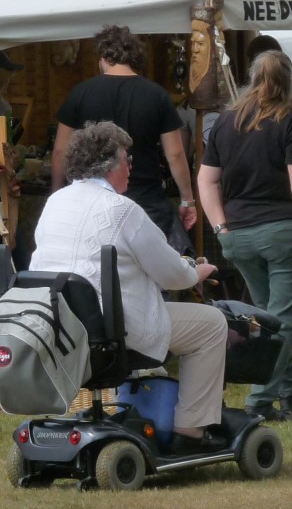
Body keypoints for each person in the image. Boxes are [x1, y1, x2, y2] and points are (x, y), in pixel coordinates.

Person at [33, 121, 228, 453]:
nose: (131, 167)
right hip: (111, 329)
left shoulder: (55, 203)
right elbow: (172, 275)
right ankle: (190, 431)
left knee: (138, 308)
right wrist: (197, 271)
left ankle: (139, 412)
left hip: (60, 325)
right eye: (128, 159)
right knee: (212, 325)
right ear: (112, 166)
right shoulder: (122, 211)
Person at [198, 50, 292, 421]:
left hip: (237, 234)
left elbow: (207, 180)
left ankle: (290, 391)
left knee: (268, 317)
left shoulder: (225, 122)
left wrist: (220, 228)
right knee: (282, 321)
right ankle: (258, 403)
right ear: (288, 80)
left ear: (252, 78)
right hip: (282, 232)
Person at [51, 25, 196, 256]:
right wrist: (187, 200)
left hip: (93, 203)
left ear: (104, 57)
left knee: (101, 268)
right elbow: (175, 154)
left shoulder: (80, 93)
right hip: (147, 201)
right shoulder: (157, 95)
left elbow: (60, 151)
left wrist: (57, 193)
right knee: (152, 271)